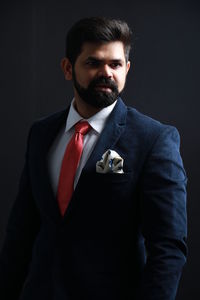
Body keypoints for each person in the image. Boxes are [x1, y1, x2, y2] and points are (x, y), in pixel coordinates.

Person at [0, 17, 187, 300]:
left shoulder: (154, 140)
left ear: (127, 69)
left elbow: (168, 248)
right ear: (67, 68)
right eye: (93, 63)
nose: (106, 72)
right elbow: (20, 233)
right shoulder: (41, 134)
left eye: (115, 64)